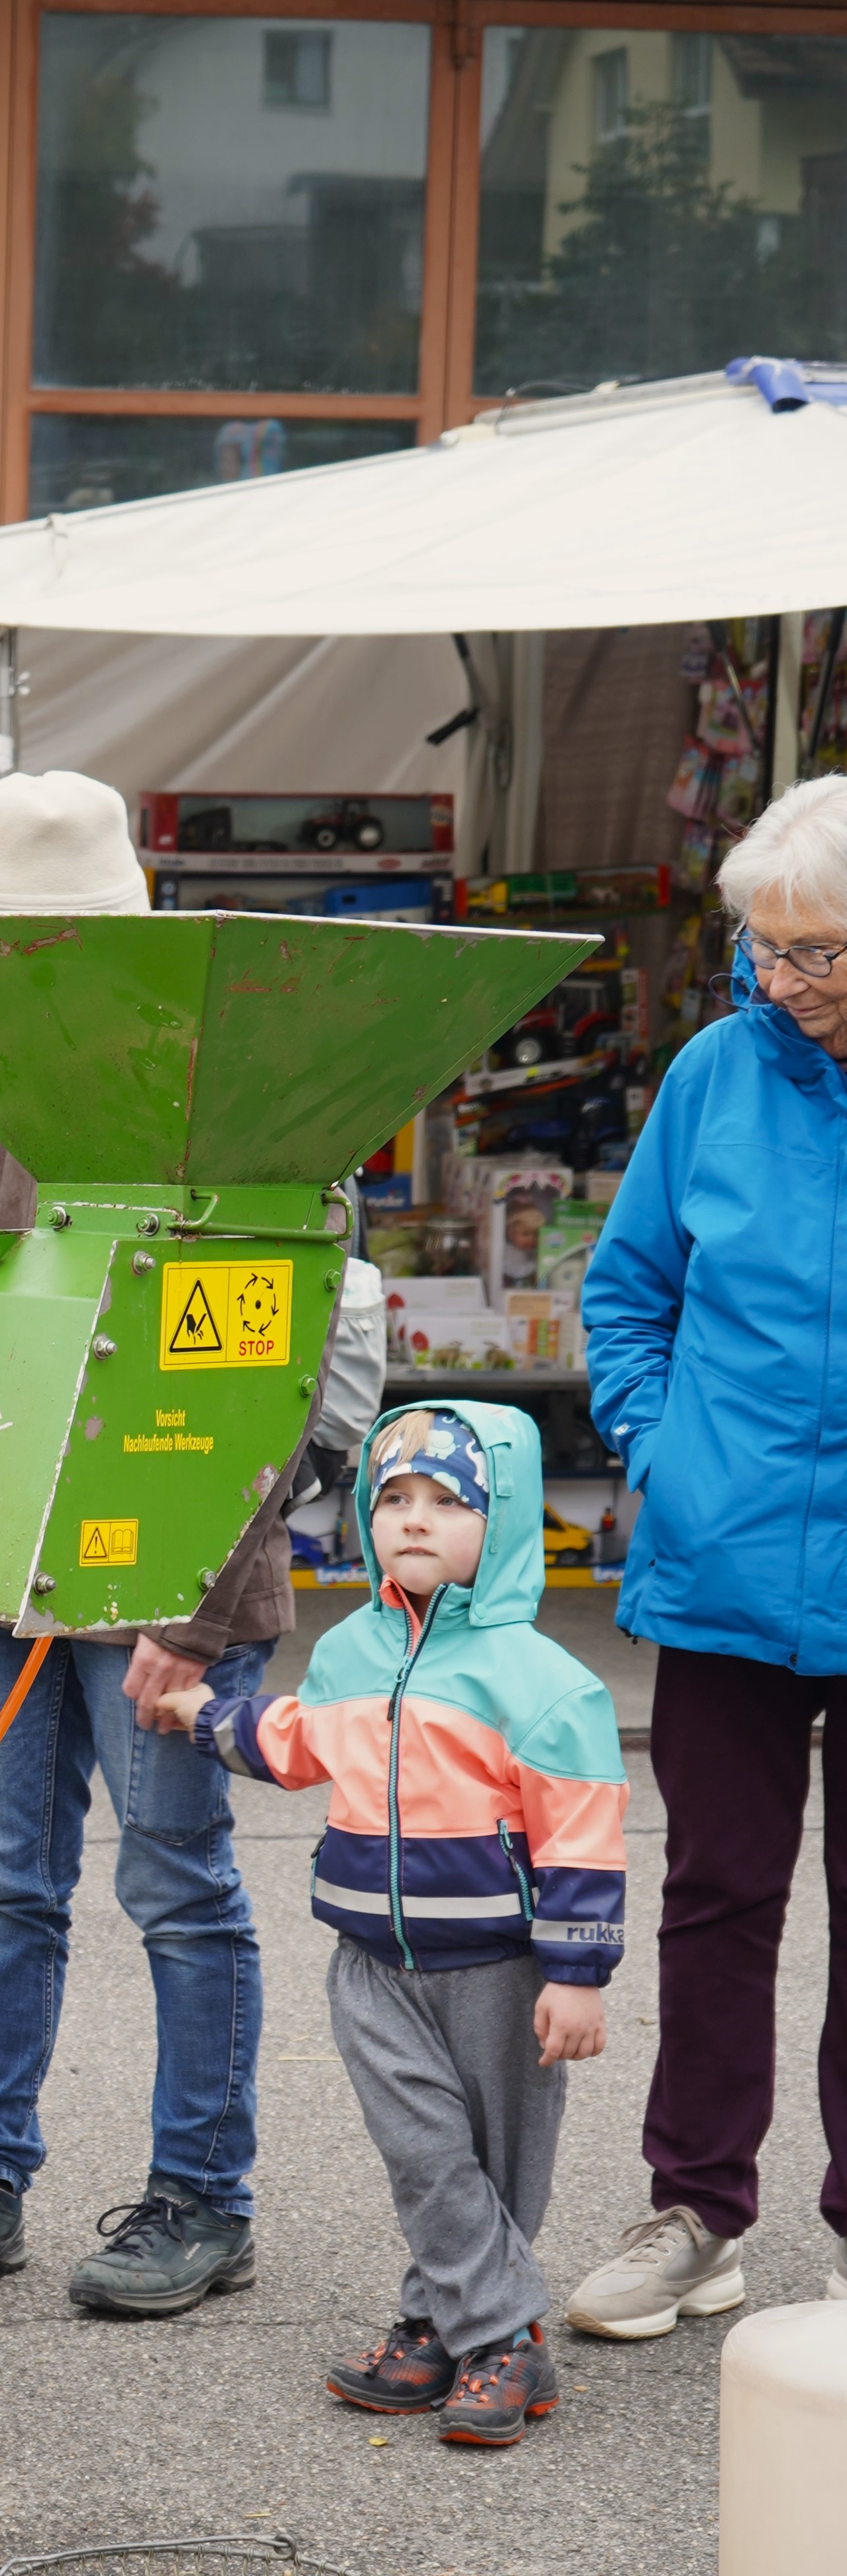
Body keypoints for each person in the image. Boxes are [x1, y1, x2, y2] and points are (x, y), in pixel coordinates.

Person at [0, 768, 388, 2320]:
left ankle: (202, 2197)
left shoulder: (229, 1098)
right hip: (5, 1571)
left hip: (171, 1580)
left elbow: (269, 1379)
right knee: (4, 1884)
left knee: (174, 1886)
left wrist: (202, 1611)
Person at [151, 1404, 626, 2447]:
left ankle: (441, 2321)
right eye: (393, 1497)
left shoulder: (544, 1684)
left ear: (503, 1520)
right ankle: (504, 2338)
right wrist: (205, 1716)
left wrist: (577, 1971)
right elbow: (295, 1742)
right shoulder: (350, 1652)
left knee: (498, 2164)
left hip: (502, 1967)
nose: (413, 1519)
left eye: (448, 1501)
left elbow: (583, 1834)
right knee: (425, 2154)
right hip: (370, 1963)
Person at [573, 773, 847, 2336]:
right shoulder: (708, 1072)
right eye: (765, 948)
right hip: (723, 1555)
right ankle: (694, 2211)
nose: (782, 979)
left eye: (816, 951)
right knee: (714, 1896)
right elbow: (626, 1292)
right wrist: (656, 1447)